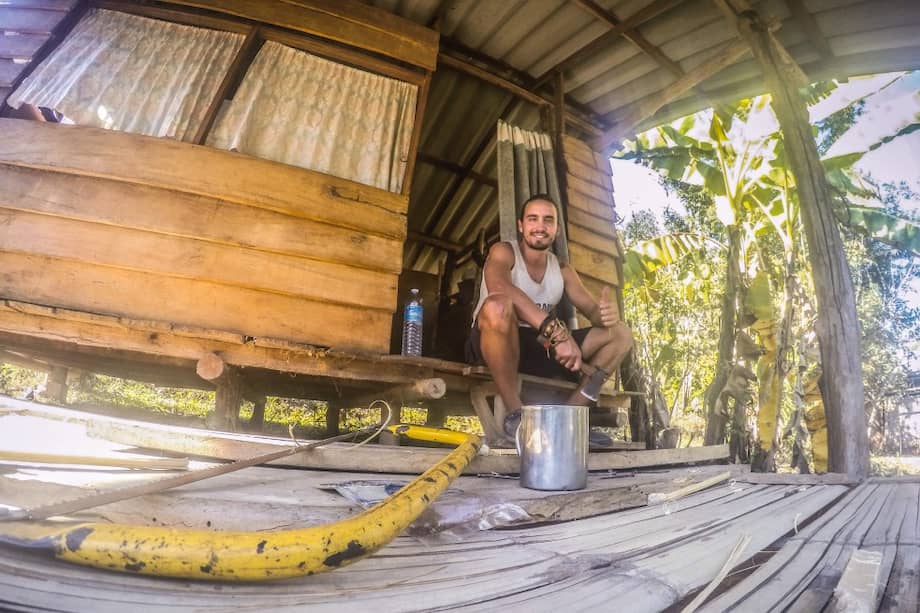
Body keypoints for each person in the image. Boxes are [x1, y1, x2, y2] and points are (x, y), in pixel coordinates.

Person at [466, 194, 633, 440]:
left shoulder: (562, 269)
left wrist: (605, 315)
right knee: (498, 306)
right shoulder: (504, 251)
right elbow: (499, 287)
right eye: (533, 219)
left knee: (621, 334)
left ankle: (568, 419)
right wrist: (555, 331)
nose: (540, 227)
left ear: (556, 229)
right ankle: (517, 416)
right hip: (495, 342)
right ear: (521, 226)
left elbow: (592, 310)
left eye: (548, 220)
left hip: (540, 347)